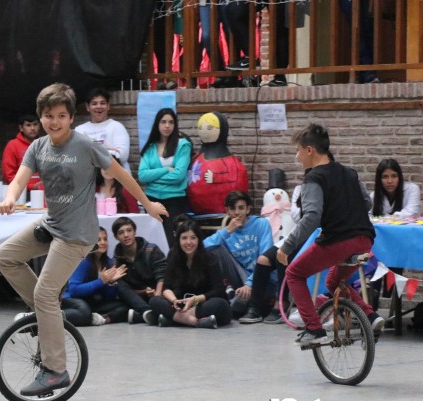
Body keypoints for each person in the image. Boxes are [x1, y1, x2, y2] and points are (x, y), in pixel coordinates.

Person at [0, 83, 167, 397]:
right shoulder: (38, 146)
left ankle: (56, 370)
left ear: (72, 117)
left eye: (61, 115)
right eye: (48, 116)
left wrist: (149, 203)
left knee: (47, 293)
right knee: (4, 256)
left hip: (77, 235)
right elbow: (19, 177)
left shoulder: (85, 146)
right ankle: (43, 316)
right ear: (41, 117)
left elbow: (121, 174)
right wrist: (9, 198)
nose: (54, 121)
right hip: (51, 225)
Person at [275, 123, 383, 345]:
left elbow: (312, 216)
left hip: (338, 242)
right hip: (365, 241)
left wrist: (288, 246)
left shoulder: (314, 178)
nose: (297, 157)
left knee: (294, 273)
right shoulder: (349, 173)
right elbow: (367, 202)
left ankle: (313, 330)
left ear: (309, 150)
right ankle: (370, 316)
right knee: (335, 282)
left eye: (298, 150)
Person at [202, 190, 276, 323]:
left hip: (263, 279)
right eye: (233, 209)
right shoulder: (227, 231)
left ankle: (246, 302)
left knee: (266, 259)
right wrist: (227, 231)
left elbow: (267, 256)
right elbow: (201, 248)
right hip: (241, 279)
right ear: (227, 211)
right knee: (216, 249)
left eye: (241, 208)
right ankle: (234, 297)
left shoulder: (261, 224)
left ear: (248, 209)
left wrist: (250, 284)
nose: (237, 213)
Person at [149, 220, 232, 328]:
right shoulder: (173, 256)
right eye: (184, 238)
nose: (189, 242)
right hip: (181, 304)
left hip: (202, 304)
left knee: (220, 305)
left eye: (193, 238)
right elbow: (166, 287)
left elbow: (218, 289)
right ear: (178, 240)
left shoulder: (210, 258)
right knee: (154, 300)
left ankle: (175, 319)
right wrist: (174, 301)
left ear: (199, 239)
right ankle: (196, 322)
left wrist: (195, 299)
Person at [138, 108, 191, 246]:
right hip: (152, 200)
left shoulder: (183, 145)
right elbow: (142, 176)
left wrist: (153, 177)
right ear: (157, 124)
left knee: (172, 240)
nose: (167, 126)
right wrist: (166, 169)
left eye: (171, 122)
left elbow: (179, 175)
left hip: (174, 200)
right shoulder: (150, 147)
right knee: (153, 240)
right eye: (163, 122)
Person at [60, 227, 129, 325]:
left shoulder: (108, 262)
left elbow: (108, 297)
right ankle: (45, 317)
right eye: (98, 240)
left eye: (105, 239)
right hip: (70, 299)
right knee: (84, 312)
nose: (103, 242)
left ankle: (103, 319)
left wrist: (110, 283)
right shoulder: (83, 260)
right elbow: (74, 290)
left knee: (124, 305)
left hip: (91, 301)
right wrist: (100, 281)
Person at [110, 215, 167, 323]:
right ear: (116, 237)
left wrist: (157, 295)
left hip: (158, 293)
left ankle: (142, 314)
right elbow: (127, 290)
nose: (126, 235)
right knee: (118, 285)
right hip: (138, 297)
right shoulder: (116, 260)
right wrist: (144, 292)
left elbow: (162, 276)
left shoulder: (151, 249)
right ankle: (148, 312)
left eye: (129, 230)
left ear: (135, 232)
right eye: (121, 232)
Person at [74, 88, 131, 172]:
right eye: (94, 103)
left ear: (108, 106)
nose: (99, 106)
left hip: (117, 180)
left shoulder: (117, 127)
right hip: (90, 180)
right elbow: (77, 157)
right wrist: (109, 150)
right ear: (88, 107)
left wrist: (89, 152)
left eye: (102, 103)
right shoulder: (79, 130)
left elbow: (122, 156)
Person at [1, 114, 42, 191]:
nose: (33, 128)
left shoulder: (46, 144)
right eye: (28, 125)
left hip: (45, 193)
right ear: (21, 128)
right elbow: (8, 175)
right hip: (20, 193)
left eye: (35, 124)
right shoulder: (12, 145)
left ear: (39, 126)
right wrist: (32, 187)